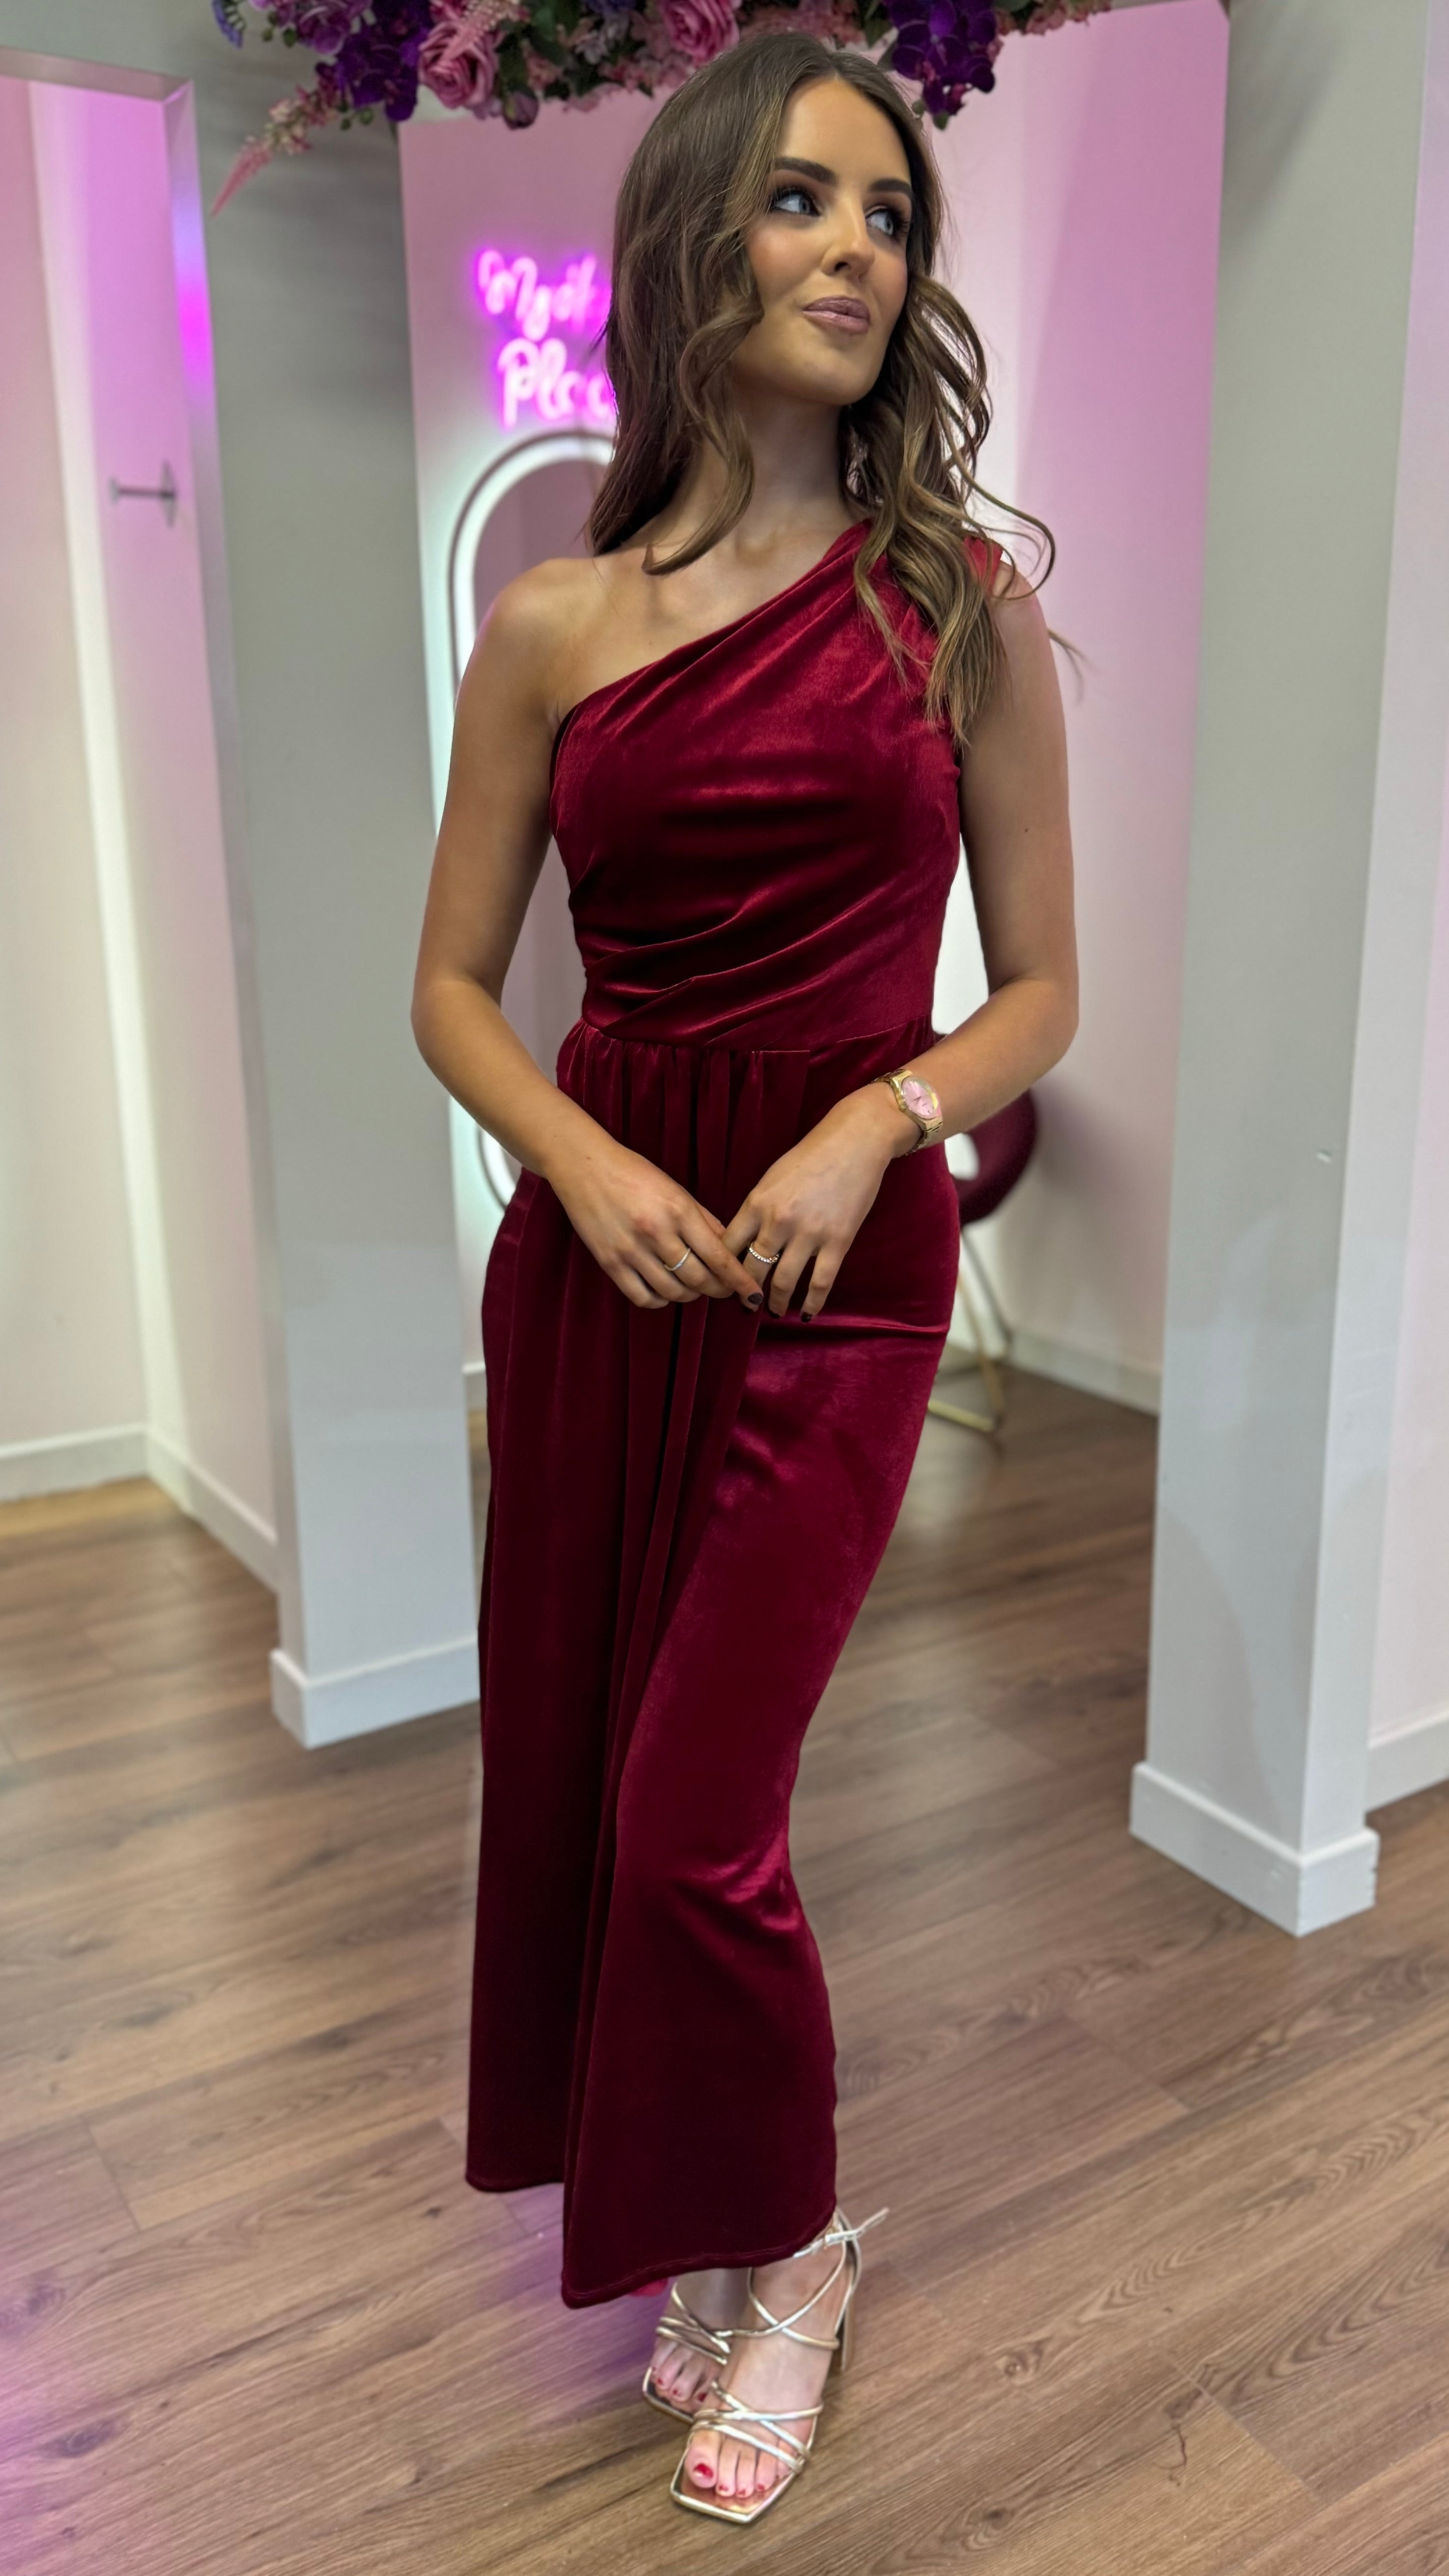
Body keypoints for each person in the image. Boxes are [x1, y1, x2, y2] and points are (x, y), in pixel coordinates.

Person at [410, 27, 1077, 2525]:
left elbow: (1042, 992)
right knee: (590, 1781)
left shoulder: (959, 608)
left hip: (839, 1260)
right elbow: (450, 985)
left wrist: (876, 1113)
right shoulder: (552, 621)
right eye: (804, 199)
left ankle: (792, 2249)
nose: (856, 251)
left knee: (702, 1810)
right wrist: (574, 1161)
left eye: (890, 216)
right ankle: (695, 2214)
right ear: (691, 236)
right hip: (609, 1256)